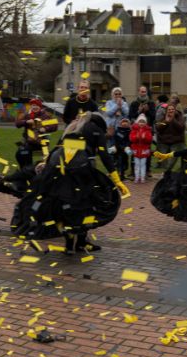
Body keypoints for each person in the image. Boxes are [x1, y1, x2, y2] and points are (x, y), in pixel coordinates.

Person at [10, 114, 128, 253]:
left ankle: (71, 243)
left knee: (65, 205)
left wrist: (46, 163)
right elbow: (104, 155)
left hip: (58, 166)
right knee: (85, 205)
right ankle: (80, 242)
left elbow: (58, 148)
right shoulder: (95, 128)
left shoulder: (73, 126)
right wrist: (117, 179)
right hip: (79, 168)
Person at [15, 98, 53, 168]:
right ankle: (24, 169)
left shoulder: (45, 116)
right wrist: (26, 122)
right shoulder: (27, 115)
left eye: (36, 105)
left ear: (40, 106)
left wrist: (45, 128)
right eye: (33, 105)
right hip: (28, 142)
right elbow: (17, 124)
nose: (34, 107)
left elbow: (54, 126)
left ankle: (28, 169)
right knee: (19, 153)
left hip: (41, 142)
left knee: (26, 152)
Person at [154, 101, 186, 174]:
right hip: (164, 141)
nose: (171, 111)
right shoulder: (162, 117)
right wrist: (166, 121)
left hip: (176, 142)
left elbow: (181, 128)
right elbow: (158, 128)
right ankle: (166, 173)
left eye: (172, 109)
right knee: (163, 161)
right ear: (166, 110)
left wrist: (173, 120)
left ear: (175, 110)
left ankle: (167, 173)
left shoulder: (179, 117)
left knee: (172, 161)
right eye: (169, 109)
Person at [130, 114, 154, 183]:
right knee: (137, 165)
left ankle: (142, 177)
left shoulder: (147, 130)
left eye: (143, 122)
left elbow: (150, 140)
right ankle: (137, 177)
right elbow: (131, 139)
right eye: (140, 121)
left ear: (145, 123)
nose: (141, 123)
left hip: (144, 150)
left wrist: (145, 138)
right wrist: (136, 137)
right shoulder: (134, 130)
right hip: (136, 150)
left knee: (143, 164)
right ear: (137, 122)